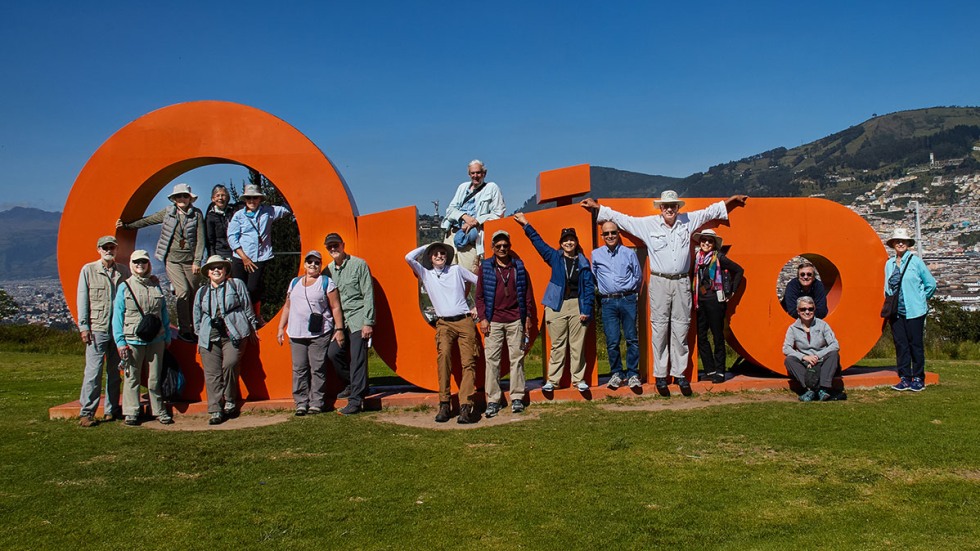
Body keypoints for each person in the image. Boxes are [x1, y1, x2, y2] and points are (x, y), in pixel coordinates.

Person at [580, 190, 748, 397]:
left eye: (673, 206)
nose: (669, 209)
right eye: (666, 206)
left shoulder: (687, 221)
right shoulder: (648, 224)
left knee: (681, 327)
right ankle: (660, 376)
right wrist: (599, 209)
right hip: (659, 281)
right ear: (660, 208)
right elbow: (623, 220)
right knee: (659, 328)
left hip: (681, 282)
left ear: (678, 207)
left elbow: (709, 212)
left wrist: (729, 201)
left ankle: (679, 375)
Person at [514, 212, 595, 394]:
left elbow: (589, 288)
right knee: (557, 345)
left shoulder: (583, 262)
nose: (568, 243)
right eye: (565, 240)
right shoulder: (554, 257)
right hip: (556, 305)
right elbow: (538, 242)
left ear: (576, 242)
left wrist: (586, 309)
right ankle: (553, 380)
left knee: (577, 345)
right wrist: (526, 224)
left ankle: (578, 380)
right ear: (561, 243)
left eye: (571, 240)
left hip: (577, 306)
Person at [116, 182, 205, 342]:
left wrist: (197, 260)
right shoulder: (168, 212)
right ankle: (185, 329)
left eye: (185, 196)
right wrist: (128, 226)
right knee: (183, 292)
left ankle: (195, 327)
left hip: (190, 260)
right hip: (172, 260)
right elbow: (148, 221)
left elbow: (201, 239)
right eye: (179, 196)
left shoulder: (197, 214)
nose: (182, 199)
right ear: (174, 199)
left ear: (190, 198)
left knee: (194, 294)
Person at [405, 242, 481, 424]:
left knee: (468, 363)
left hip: (464, 321)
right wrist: (427, 246)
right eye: (435, 254)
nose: (439, 256)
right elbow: (408, 257)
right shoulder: (426, 274)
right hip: (444, 323)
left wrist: (478, 306)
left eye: (442, 253)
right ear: (430, 258)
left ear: (447, 256)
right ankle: (444, 404)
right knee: (444, 360)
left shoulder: (456, 270)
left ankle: (465, 407)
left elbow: (480, 283)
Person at [475, 230, 537, 416]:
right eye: (498, 246)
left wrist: (527, 318)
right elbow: (479, 297)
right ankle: (493, 400)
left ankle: (517, 397)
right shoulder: (486, 267)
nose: (502, 248)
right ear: (493, 247)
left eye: (505, 245)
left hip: (515, 320)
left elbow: (527, 295)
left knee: (516, 359)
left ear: (509, 247)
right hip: (493, 321)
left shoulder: (518, 267)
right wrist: (483, 318)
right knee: (491, 361)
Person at [192, 255, 259, 425]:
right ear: (207, 272)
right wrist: (200, 337)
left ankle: (230, 399)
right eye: (212, 267)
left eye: (220, 267)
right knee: (212, 373)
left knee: (230, 364)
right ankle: (215, 409)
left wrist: (252, 326)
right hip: (209, 336)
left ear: (225, 270)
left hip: (234, 333)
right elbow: (197, 316)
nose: (216, 270)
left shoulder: (236, 285)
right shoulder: (202, 292)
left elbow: (246, 305)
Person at [277, 251, 345, 416]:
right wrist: (280, 327)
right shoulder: (294, 283)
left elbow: (335, 307)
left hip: (319, 333)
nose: (313, 265)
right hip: (296, 333)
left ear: (320, 265)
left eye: (316, 262)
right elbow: (287, 306)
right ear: (305, 264)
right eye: (310, 262)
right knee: (299, 368)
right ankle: (301, 403)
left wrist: (339, 329)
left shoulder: (326, 283)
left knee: (317, 368)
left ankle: (316, 402)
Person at [112, 250, 172, 426]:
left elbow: (163, 313)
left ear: (148, 265)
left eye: (143, 262)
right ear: (132, 264)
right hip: (132, 339)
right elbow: (118, 316)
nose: (140, 265)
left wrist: (167, 335)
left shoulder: (155, 285)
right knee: (132, 377)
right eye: (137, 262)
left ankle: (159, 410)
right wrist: (120, 341)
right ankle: (131, 412)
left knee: (154, 378)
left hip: (156, 339)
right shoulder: (125, 286)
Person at [76, 235, 130, 427]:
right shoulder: (88, 270)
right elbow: (82, 300)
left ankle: (112, 409)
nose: (109, 250)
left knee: (115, 372)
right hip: (97, 328)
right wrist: (84, 326)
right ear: (98, 249)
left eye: (112, 247)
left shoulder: (123, 271)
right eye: (105, 247)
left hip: (118, 330)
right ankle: (87, 412)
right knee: (93, 372)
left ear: (116, 250)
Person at [323, 232, 375, 416]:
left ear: (343, 245)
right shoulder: (327, 271)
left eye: (336, 245)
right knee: (333, 353)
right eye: (330, 247)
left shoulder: (359, 265)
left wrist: (368, 322)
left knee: (357, 358)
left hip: (358, 317)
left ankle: (355, 400)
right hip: (339, 321)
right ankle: (355, 384)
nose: (333, 249)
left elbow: (368, 294)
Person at [226, 183, 292, 325]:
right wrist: (243, 257)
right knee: (238, 289)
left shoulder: (269, 211)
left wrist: (281, 189)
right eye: (249, 198)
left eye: (255, 198)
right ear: (245, 200)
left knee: (253, 289)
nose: (252, 201)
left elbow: (288, 208)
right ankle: (239, 319)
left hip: (260, 257)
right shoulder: (238, 215)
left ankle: (255, 315)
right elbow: (232, 236)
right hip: (240, 257)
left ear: (260, 199)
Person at [884, 228, 937, 392]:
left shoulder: (916, 262)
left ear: (908, 244)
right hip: (896, 312)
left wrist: (921, 299)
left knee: (915, 345)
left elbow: (931, 284)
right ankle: (905, 377)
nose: (900, 243)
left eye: (903, 241)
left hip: (915, 311)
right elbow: (887, 287)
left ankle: (919, 378)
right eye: (897, 240)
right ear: (893, 244)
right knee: (901, 345)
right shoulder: (889, 264)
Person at [591, 221, 643, 390]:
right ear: (602, 236)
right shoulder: (596, 255)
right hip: (607, 301)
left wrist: (627, 291)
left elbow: (638, 276)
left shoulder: (629, 253)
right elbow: (593, 276)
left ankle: (633, 374)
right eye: (606, 233)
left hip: (627, 299)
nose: (610, 236)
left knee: (631, 338)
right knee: (612, 340)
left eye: (613, 232)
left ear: (618, 233)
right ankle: (617, 373)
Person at [692, 229, 744, 384]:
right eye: (704, 240)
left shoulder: (719, 258)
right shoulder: (697, 259)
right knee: (701, 336)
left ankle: (720, 371)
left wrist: (732, 291)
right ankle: (710, 369)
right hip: (700, 301)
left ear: (714, 244)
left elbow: (739, 270)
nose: (706, 243)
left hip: (715, 301)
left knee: (717, 336)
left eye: (709, 241)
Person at [440, 159, 506, 273]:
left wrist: (476, 221)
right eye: (473, 173)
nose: (475, 176)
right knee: (449, 274)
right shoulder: (462, 187)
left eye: (478, 173)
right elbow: (450, 210)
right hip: (452, 234)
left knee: (467, 275)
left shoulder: (491, 188)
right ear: (469, 174)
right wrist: (465, 216)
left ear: (484, 174)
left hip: (471, 238)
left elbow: (499, 214)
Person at [782, 296, 845, 401]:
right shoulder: (792, 328)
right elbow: (786, 348)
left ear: (814, 310)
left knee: (834, 354)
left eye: (810, 309)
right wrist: (804, 357)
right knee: (789, 360)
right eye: (803, 309)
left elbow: (835, 344)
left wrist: (816, 356)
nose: (807, 312)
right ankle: (811, 389)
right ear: (798, 311)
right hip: (806, 364)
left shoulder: (823, 325)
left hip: (822, 361)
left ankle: (823, 389)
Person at [204, 184, 239, 259]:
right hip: (219, 253)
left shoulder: (234, 211)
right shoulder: (210, 216)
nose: (220, 198)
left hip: (235, 252)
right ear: (213, 199)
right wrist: (212, 256)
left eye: (223, 195)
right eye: (217, 195)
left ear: (227, 198)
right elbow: (210, 240)